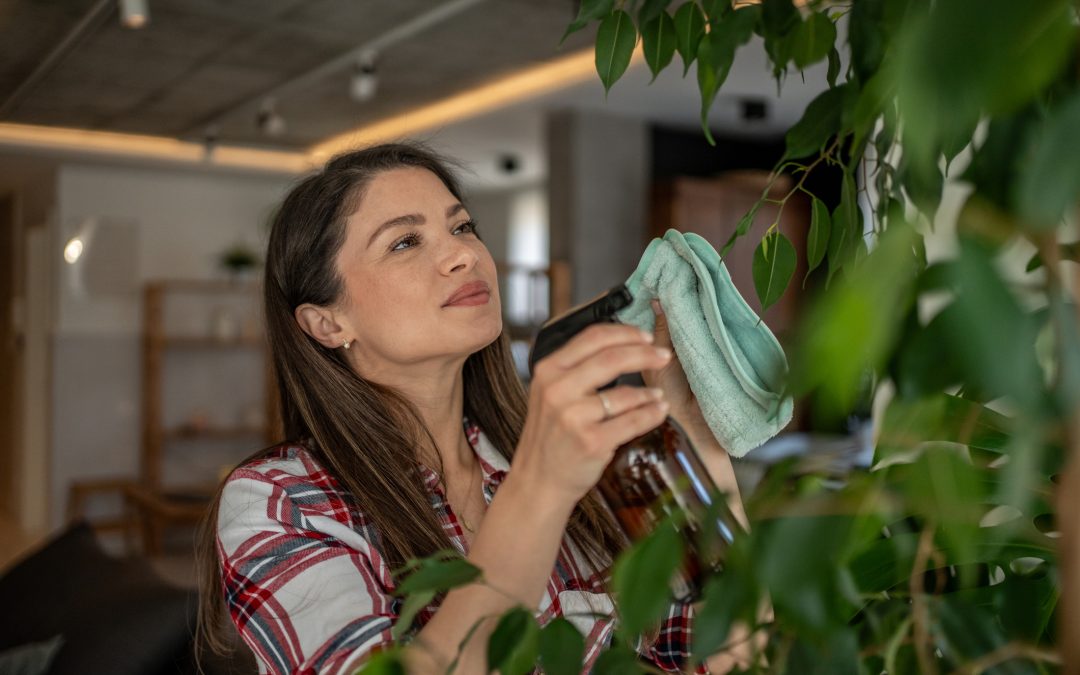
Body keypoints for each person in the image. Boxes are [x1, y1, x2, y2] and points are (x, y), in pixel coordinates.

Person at [196, 142, 748, 675]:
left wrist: (697, 441)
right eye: (405, 242)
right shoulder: (283, 501)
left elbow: (729, 655)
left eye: (462, 227)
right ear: (328, 323)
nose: (464, 254)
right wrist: (539, 489)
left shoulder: (567, 461)